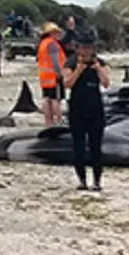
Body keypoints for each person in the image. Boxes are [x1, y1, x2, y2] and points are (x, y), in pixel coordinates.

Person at [63, 33, 111, 191]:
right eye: (83, 47)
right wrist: (79, 69)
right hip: (77, 108)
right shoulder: (70, 63)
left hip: (95, 109)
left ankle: (97, 180)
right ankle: (82, 180)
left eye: (89, 48)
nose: (86, 51)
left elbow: (106, 83)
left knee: (96, 147)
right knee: (78, 147)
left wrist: (98, 69)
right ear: (77, 48)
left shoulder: (100, 63)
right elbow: (67, 84)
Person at [36, 22, 65, 126]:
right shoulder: (52, 44)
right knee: (55, 99)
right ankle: (59, 120)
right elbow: (55, 61)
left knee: (46, 98)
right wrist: (60, 74)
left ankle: (48, 121)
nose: (58, 34)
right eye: (56, 32)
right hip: (53, 76)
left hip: (44, 75)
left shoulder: (43, 43)